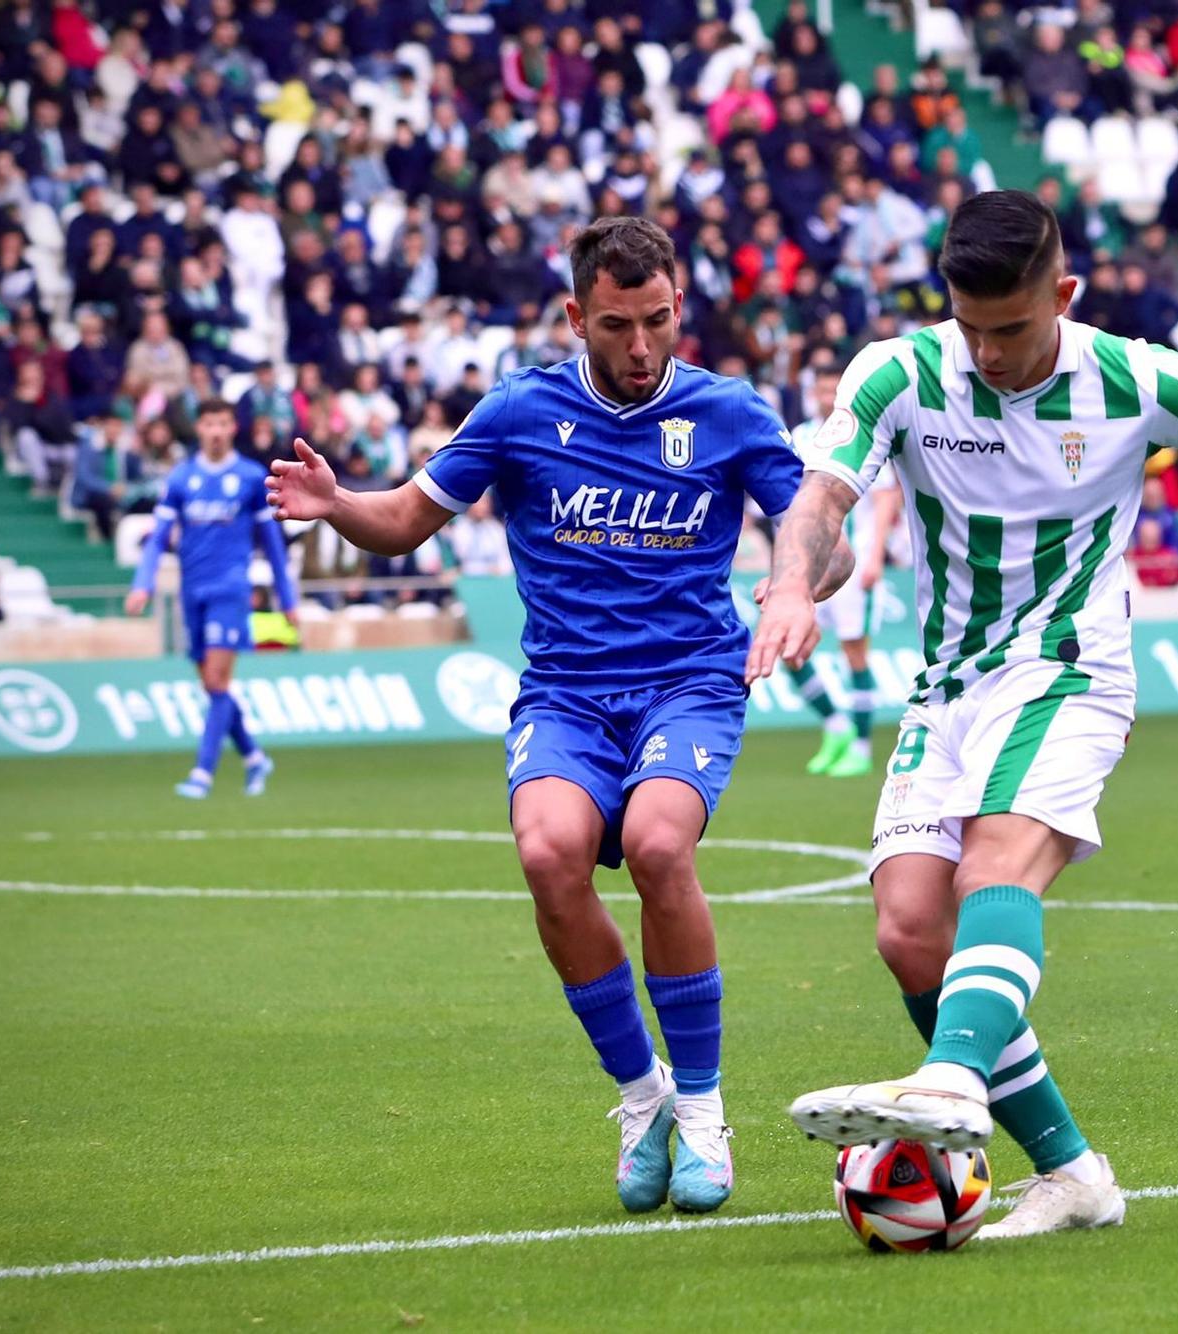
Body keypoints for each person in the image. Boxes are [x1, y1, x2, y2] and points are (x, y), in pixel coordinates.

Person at [751, 191, 1178, 1237]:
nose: (985, 350)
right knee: (908, 932)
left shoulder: (1130, 374)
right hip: (946, 683)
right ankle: (1072, 1173)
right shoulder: (897, 372)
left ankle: (947, 1081)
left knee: (994, 866)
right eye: (967, 324)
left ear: (1061, 295)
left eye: (1010, 328)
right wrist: (793, 585)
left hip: (1071, 664)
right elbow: (822, 495)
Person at [266, 217, 849, 1218]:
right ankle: (643, 1099)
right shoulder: (518, 411)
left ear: (679, 310)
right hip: (567, 693)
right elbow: (406, 519)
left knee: (662, 847)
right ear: (575, 315)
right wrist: (337, 503)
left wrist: (798, 582)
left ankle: (704, 1108)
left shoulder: (729, 411)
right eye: (615, 325)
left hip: (688, 680)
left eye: (657, 321)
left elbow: (814, 532)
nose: (638, 347)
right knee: (547, 856)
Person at [125, 400, 299, 799]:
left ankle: (202, 773)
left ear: (232, 428)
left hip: (231, 589)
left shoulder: (252, 478)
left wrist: (287, 598)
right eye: (209, 424)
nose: (216, 431)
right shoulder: (181, 478)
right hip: (192, 592)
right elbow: (157, 538)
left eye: (223, 423)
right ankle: (255, 758)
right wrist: (143, 582)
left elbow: (272, 545)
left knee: (219, 679)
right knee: (211, 685)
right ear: (199, 429)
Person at [783, 362, 901, 778]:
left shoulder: (863, 431)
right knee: (791, 650)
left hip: (857, 563)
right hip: (812, 564)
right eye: (822, 388)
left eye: (835, 388)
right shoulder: (798, 436)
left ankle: (863, 747)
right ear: (812, 391)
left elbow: (887, 497)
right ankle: (835, 726)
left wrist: (875, 557)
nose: (827, 396)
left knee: (855, 652)